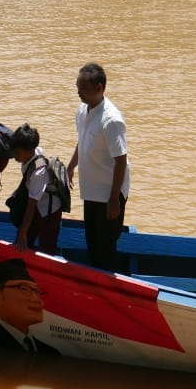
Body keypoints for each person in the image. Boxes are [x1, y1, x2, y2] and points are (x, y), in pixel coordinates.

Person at [68, 63, 130, 271]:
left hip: (108, 193)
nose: (79, 93)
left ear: (99, 88)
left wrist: (114, 199)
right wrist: (71, 166)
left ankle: (106, 285)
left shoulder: (111, 120)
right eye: (77, 88)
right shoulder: (82, 111)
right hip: (91, 190)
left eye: (83, 89)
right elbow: (82, 141)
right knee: (92, 242)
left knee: (105, 246)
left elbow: (121, 161)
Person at [8, 124, 63, 255]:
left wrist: (22, 234)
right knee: (27, 237)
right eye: (13, 151)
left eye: (17, 153)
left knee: (47, 249)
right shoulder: (31, 152)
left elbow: (31, 206)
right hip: (37, 203)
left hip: (49, 210)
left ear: (29, 151)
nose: (14, 156)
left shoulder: (39, 173)